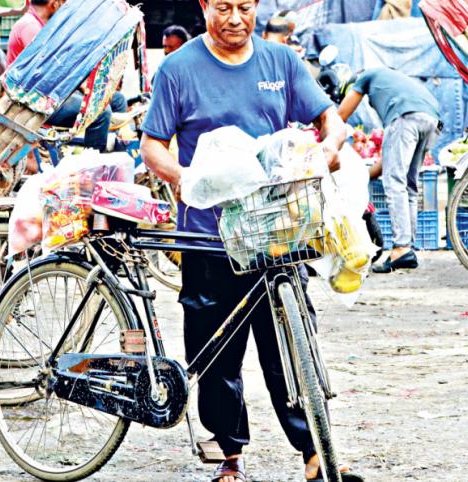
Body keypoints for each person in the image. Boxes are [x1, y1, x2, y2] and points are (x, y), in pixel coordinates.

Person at [140, 1, 360, 481]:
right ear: (204, 6)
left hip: (276, 231)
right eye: (224, 7)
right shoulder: (178, 69)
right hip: (207, 236)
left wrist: (328, 146)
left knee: (288, 344)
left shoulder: (281, 61)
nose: (235, 17)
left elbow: (330, 117)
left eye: (244, 6)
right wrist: (184, 178)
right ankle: (228, 458)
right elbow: (152, 144)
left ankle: (313, 450)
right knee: (216, 352)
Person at [337, 67, 441, 273]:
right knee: (409, 185)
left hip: (405, 118)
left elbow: (340, 116)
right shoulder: (396, 81)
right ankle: (407, 248)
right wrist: (360, 177)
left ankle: (401, 248)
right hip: (431, 120)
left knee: (394, 185)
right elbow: (387, 163)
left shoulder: (366, 76)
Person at [5, 0, 111, 152]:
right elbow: (49, 72)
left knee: (116, 99)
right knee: (101, 112)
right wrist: (83, 87)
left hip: (43, 96)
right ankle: (92, 166)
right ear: (55, 3)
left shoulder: (38, 25)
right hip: (32, 103)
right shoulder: (30, 27)